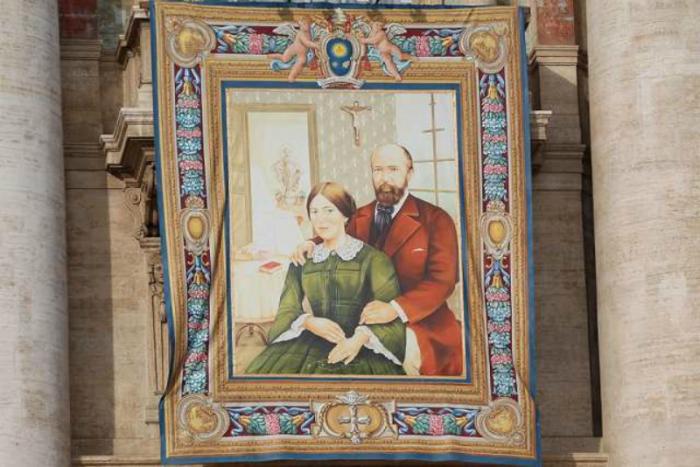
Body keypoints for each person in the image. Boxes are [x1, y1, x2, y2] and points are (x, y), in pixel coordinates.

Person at [293, 144, 463, 376]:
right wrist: (311, 242)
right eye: (378, 170)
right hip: (361, 318)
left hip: (418, 322)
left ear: (410, 173)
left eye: (393, 169)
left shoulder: (435, 219)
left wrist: (396, 309)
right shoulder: (358, 216)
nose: (384, 178)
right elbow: (334, 232)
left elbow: (443, 281)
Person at [245, 182, 406, 375]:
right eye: (314, 212)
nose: (321, 220)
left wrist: (358, 339)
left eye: (329, 210)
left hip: (362, 345)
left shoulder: (374, 260)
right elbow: (287, 309)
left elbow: (390, 315)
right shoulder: (302, 259)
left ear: (345, 214)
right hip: (308, 340)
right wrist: (308, 322)